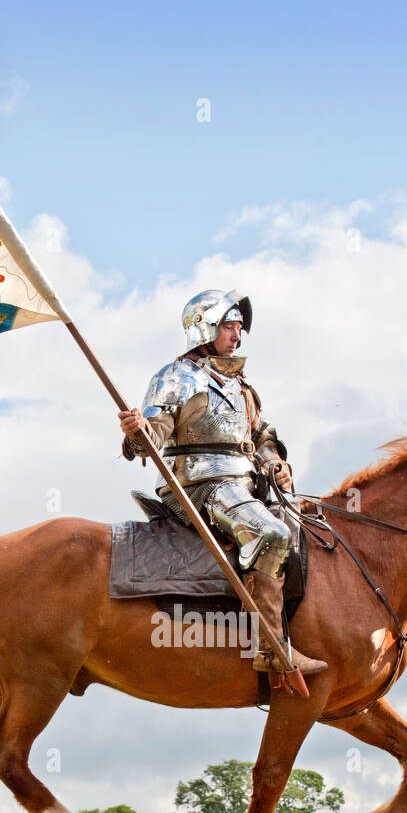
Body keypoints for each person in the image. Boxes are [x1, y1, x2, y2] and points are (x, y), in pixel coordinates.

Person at [118, 289, 327, 676]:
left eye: (239, 328)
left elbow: (259, 434)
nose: (238, 335)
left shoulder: (238, 382)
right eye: (230, 326)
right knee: (273, 535)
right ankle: (270, 646)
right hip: (201, 484)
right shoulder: (176, 377)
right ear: (205, 329)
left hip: (246, 482)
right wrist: (138, 430)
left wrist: (274, 461)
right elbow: (152, 437)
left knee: (306, 527)